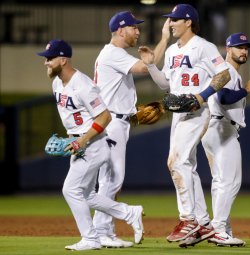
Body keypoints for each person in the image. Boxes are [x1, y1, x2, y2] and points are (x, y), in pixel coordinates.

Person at [138, 3, 231, 247]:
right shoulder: (170, 51)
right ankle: (203, 223)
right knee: (187, 165)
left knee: (175, 162)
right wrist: (150, 65)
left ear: (188, 21)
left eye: (175, 19)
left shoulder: (204, 46)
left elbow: (224, 74)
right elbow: (164, 85)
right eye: (170, 19)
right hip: (178, 114)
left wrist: (201, 96)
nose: (170, 23)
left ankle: (188, 219)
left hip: (197, 110)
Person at [37, 39, 144, 251]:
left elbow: (105, 117)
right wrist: (73, 138)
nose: (46, 62)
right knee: (86, 194)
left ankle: (91, 238)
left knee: (70, 190)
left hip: (94, 144)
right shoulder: (57, 83)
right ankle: (129, 213)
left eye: (50, 58)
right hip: (80, 143)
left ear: (63, 59)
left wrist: (81, 140)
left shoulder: (83, 84)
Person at [92, 11, 170, 248]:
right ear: (119, 30)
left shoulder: (113, 54)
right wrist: (165, 38)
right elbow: (146, 67)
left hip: (117, 121)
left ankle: (103, 231)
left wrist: (132, 113)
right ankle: (102, 232)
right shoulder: (114, 54)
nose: (138, 31)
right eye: (133, 27)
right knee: (111, 180)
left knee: (109, 180)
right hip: (112, 124)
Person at [200, 32, 250, 247]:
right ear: (228, 49)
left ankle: (223, 227)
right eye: (239, 46)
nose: (244, 51)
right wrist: (246, 90)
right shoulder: (227, 70)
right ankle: (218, 228)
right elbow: (224, 98)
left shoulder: (226, 70)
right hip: (222, 129)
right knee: (231, 182)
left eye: (246, 47)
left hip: (214, 128)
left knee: (219, 182)